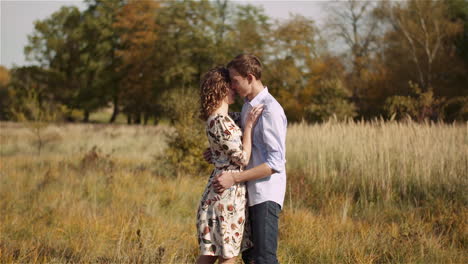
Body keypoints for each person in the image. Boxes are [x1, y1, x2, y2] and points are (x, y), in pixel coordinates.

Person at [213, 54, 287, 264]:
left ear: (250, 77)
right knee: (251, 258)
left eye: (235, 81)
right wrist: (218, 152)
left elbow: (275, 163)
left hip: (265, 193)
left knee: (264, 259)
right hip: (248, 193)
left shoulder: (270, 110)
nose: (232, 86)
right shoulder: (248, 105)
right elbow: (242, 146)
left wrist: (234, 178)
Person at [196, 66, 264, 264]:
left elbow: (225, 146)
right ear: (221, 88)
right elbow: (242, 158)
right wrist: (250, 126)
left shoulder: (225, 119)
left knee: (214, 253)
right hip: (225, 195)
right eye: (231, 84)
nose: (235, 87)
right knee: (227, 254)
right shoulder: (219, 121)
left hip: (226, 193)